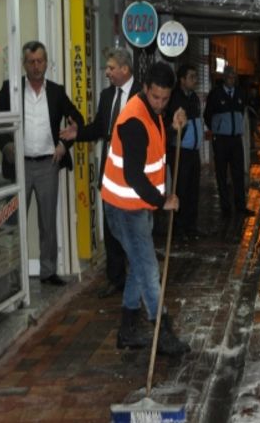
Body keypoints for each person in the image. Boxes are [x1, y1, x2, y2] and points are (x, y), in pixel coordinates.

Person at [101, 62, 189, 355]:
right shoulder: (134, 121)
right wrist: (162, 200)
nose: (161, 104)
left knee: (139, 268)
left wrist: (174, 120)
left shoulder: (154, 111)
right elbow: (134, 176)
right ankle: (162, 331)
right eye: (156, 98)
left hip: (138, 206)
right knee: (149, 270)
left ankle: (127, 330)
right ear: (144, 89)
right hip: (124, 208)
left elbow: (159, 134)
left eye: (166, 99)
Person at [0, 41, 84, 286]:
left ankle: (47, 271)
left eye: (40, 61)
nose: (36, 66)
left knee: (47, 222)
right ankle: (13, 276)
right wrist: (6, 146)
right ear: (24, 64)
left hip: (47, 165)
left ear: (46, 63)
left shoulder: (56, 91)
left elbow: (77, 120)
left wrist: (64, 145)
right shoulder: (10, 89)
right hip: (19, 166)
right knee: (13, 223)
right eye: (31, 62)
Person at [60, 48, 138, 297]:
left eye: (111, 68)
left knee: (135, 228)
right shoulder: (107, 96)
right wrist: (78, 133)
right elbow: (98, 128)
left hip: (134, 173)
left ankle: (138, 277)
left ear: (125, 69)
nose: (107, 72)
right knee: (111, 225)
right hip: (110, 171)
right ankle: (116, 279)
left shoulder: (142, 95)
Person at [203, 65, 254, 217]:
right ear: (224, 78)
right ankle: (225, 208)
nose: (232, 79)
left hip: (236, 140)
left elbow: (242, 113)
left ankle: (240, 206)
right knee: (221, 174)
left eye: (234, 77)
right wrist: (217, 128)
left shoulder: (240, 93)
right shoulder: (216, 94)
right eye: (230, 76)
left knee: (238, 174)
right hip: (221, 141)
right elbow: (207, 115)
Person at [165, 64, 203, 240]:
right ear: (182, 80)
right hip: (180, 151)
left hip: (194, 151)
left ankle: (191, 226)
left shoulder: (194, 97)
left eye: (196, 77)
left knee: (193, 190)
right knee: (180, 189)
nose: (195, 80)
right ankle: (178, 229)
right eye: (191, 77)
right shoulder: (174, 98)